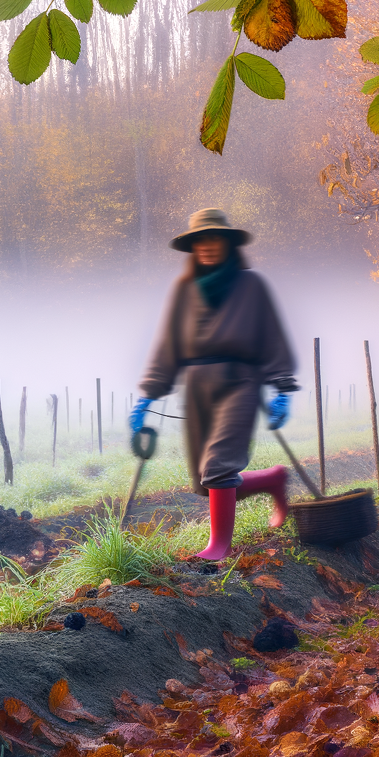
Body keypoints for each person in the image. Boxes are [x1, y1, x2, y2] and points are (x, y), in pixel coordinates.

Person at [131, 208, 298, 561]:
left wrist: (282, 388)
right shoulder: (184, 288)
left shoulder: (252, 285)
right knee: (209, 483)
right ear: (193, 247)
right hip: (196, 388)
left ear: (228, 243)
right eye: (200, 239)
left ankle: (218, 547)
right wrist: (147, 395)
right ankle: (272, 480)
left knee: (219, 465)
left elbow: (272, 336)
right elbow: (168, 344)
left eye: (215, 238)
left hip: (240, 381)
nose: (207, 245)